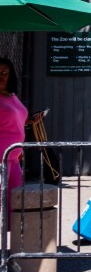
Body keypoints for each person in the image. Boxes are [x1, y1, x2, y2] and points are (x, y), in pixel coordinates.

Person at [0, 57, 39, 224]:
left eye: (5, 73)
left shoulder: (12, 96)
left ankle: (8, 248)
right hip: (1, 157)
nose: (1, 76)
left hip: (14, 157)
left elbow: (14, 120)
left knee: (14, 204)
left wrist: (29, 121)